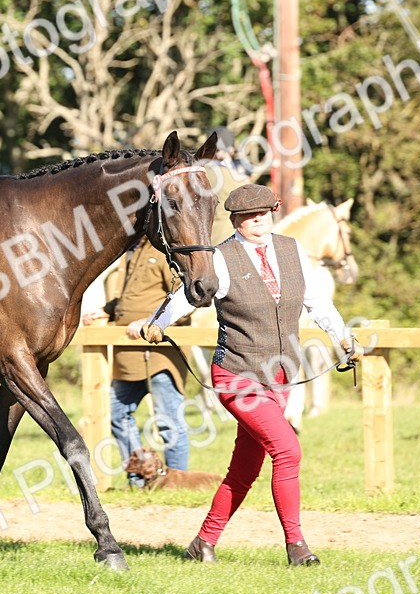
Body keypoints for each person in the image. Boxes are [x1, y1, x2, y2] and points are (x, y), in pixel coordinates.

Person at [140, 184, 359, 567]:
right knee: (288, 451)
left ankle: (203, 542)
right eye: (247, 216)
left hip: (281, 376)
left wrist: (343, 336)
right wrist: (159, 321)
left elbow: (317, 302)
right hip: (236, 375)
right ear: (236, 220)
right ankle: (297, 546)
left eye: (263, 213)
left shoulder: (292, 251)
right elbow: (191, 293)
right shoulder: (220, 258)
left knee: (244, 471)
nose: (257, 221)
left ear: (272, 213)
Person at [81, 236, 191, 488]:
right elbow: (131, 296)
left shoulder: (165, 252)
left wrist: (150, 321)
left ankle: (175, 481)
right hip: (128, 355)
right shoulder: (130, 249)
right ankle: (140, 478)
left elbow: (185, 297)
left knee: (168, 421)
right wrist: (106, 310)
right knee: (118, 413)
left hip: (159, 355)